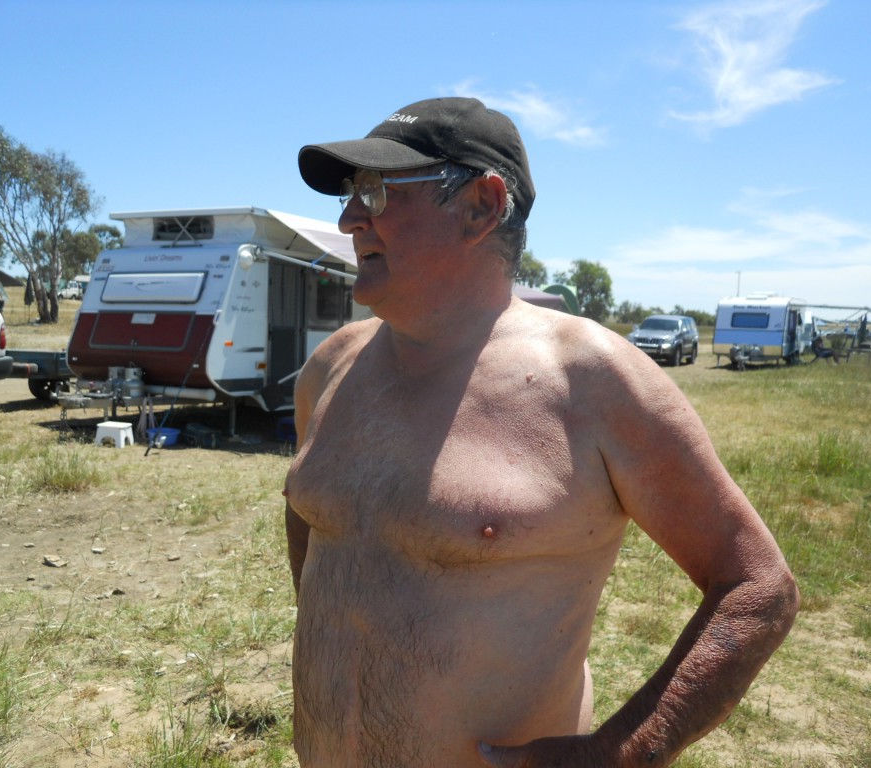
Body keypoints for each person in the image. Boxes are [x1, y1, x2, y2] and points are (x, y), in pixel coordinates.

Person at [284, 96, 799, 768]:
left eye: (377, 191)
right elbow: (311, 515)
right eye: (351, 193)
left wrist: (625, 750)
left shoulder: (593, 382)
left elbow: (757, 586)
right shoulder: (330, 368)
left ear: (481, 207)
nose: (349, 218)